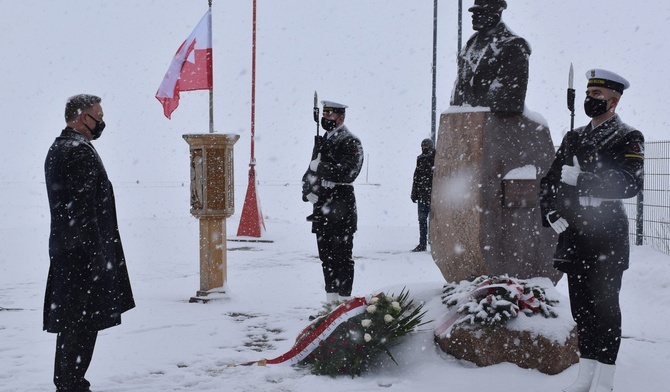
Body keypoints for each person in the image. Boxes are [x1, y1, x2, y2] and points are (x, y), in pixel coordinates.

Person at [539, 70, 644, 392]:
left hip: (606, 236)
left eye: (597, 95)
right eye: (589, 93)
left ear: (614, 100)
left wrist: (583, 180)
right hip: (574, 236)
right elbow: (549, 181)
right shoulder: (573, 137)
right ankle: (585, 375)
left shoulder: (628, 136)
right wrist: (551, 210)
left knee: (605, 308)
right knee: (581, 309)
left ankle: (605, 379)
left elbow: (631, 184)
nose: (590, 99)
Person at [44, 94, 135, 392]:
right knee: (81, 325)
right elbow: (83, 211)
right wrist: (97, 256)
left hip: (67, 252)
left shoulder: (59, 148)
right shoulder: (78, 152)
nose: (101, 122)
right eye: (98, 115)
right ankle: (72, 384)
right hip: (82, 255)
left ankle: (69, 383)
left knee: (74, 324)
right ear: (84, 116)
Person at [302, 101, 364, 304]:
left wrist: (322, 167)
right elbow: (309, 172)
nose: (326, 118)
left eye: (330, 115)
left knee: (342, 259)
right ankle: (330, 304)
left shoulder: (350, 141)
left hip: (341, 207)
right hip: (322, 208)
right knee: (326, 259)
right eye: (325, 115)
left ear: (341, 118)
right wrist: (308, 190)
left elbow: (349, 173)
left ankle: (344, 304)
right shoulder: (321, 141)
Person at [450, 0, 530, 113]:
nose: (473, 16)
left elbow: (509, 100)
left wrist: (477, 109)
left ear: (495, 15)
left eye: (480, 12)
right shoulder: (469, 46)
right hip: (465, 123)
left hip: (494, 124)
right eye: (474, 12)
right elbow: (459, 91)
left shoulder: (512, 45)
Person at [410, 138, 435, 252]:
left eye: (426, 146)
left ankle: (433, 244)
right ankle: (422, 243)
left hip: (432, 196)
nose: (424, 148)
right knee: (422, 220)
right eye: (423, 146)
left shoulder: (436, 158)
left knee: (433, 221)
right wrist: (414, 193)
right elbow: (416, 177)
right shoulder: (420, 159)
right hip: (422, 195)